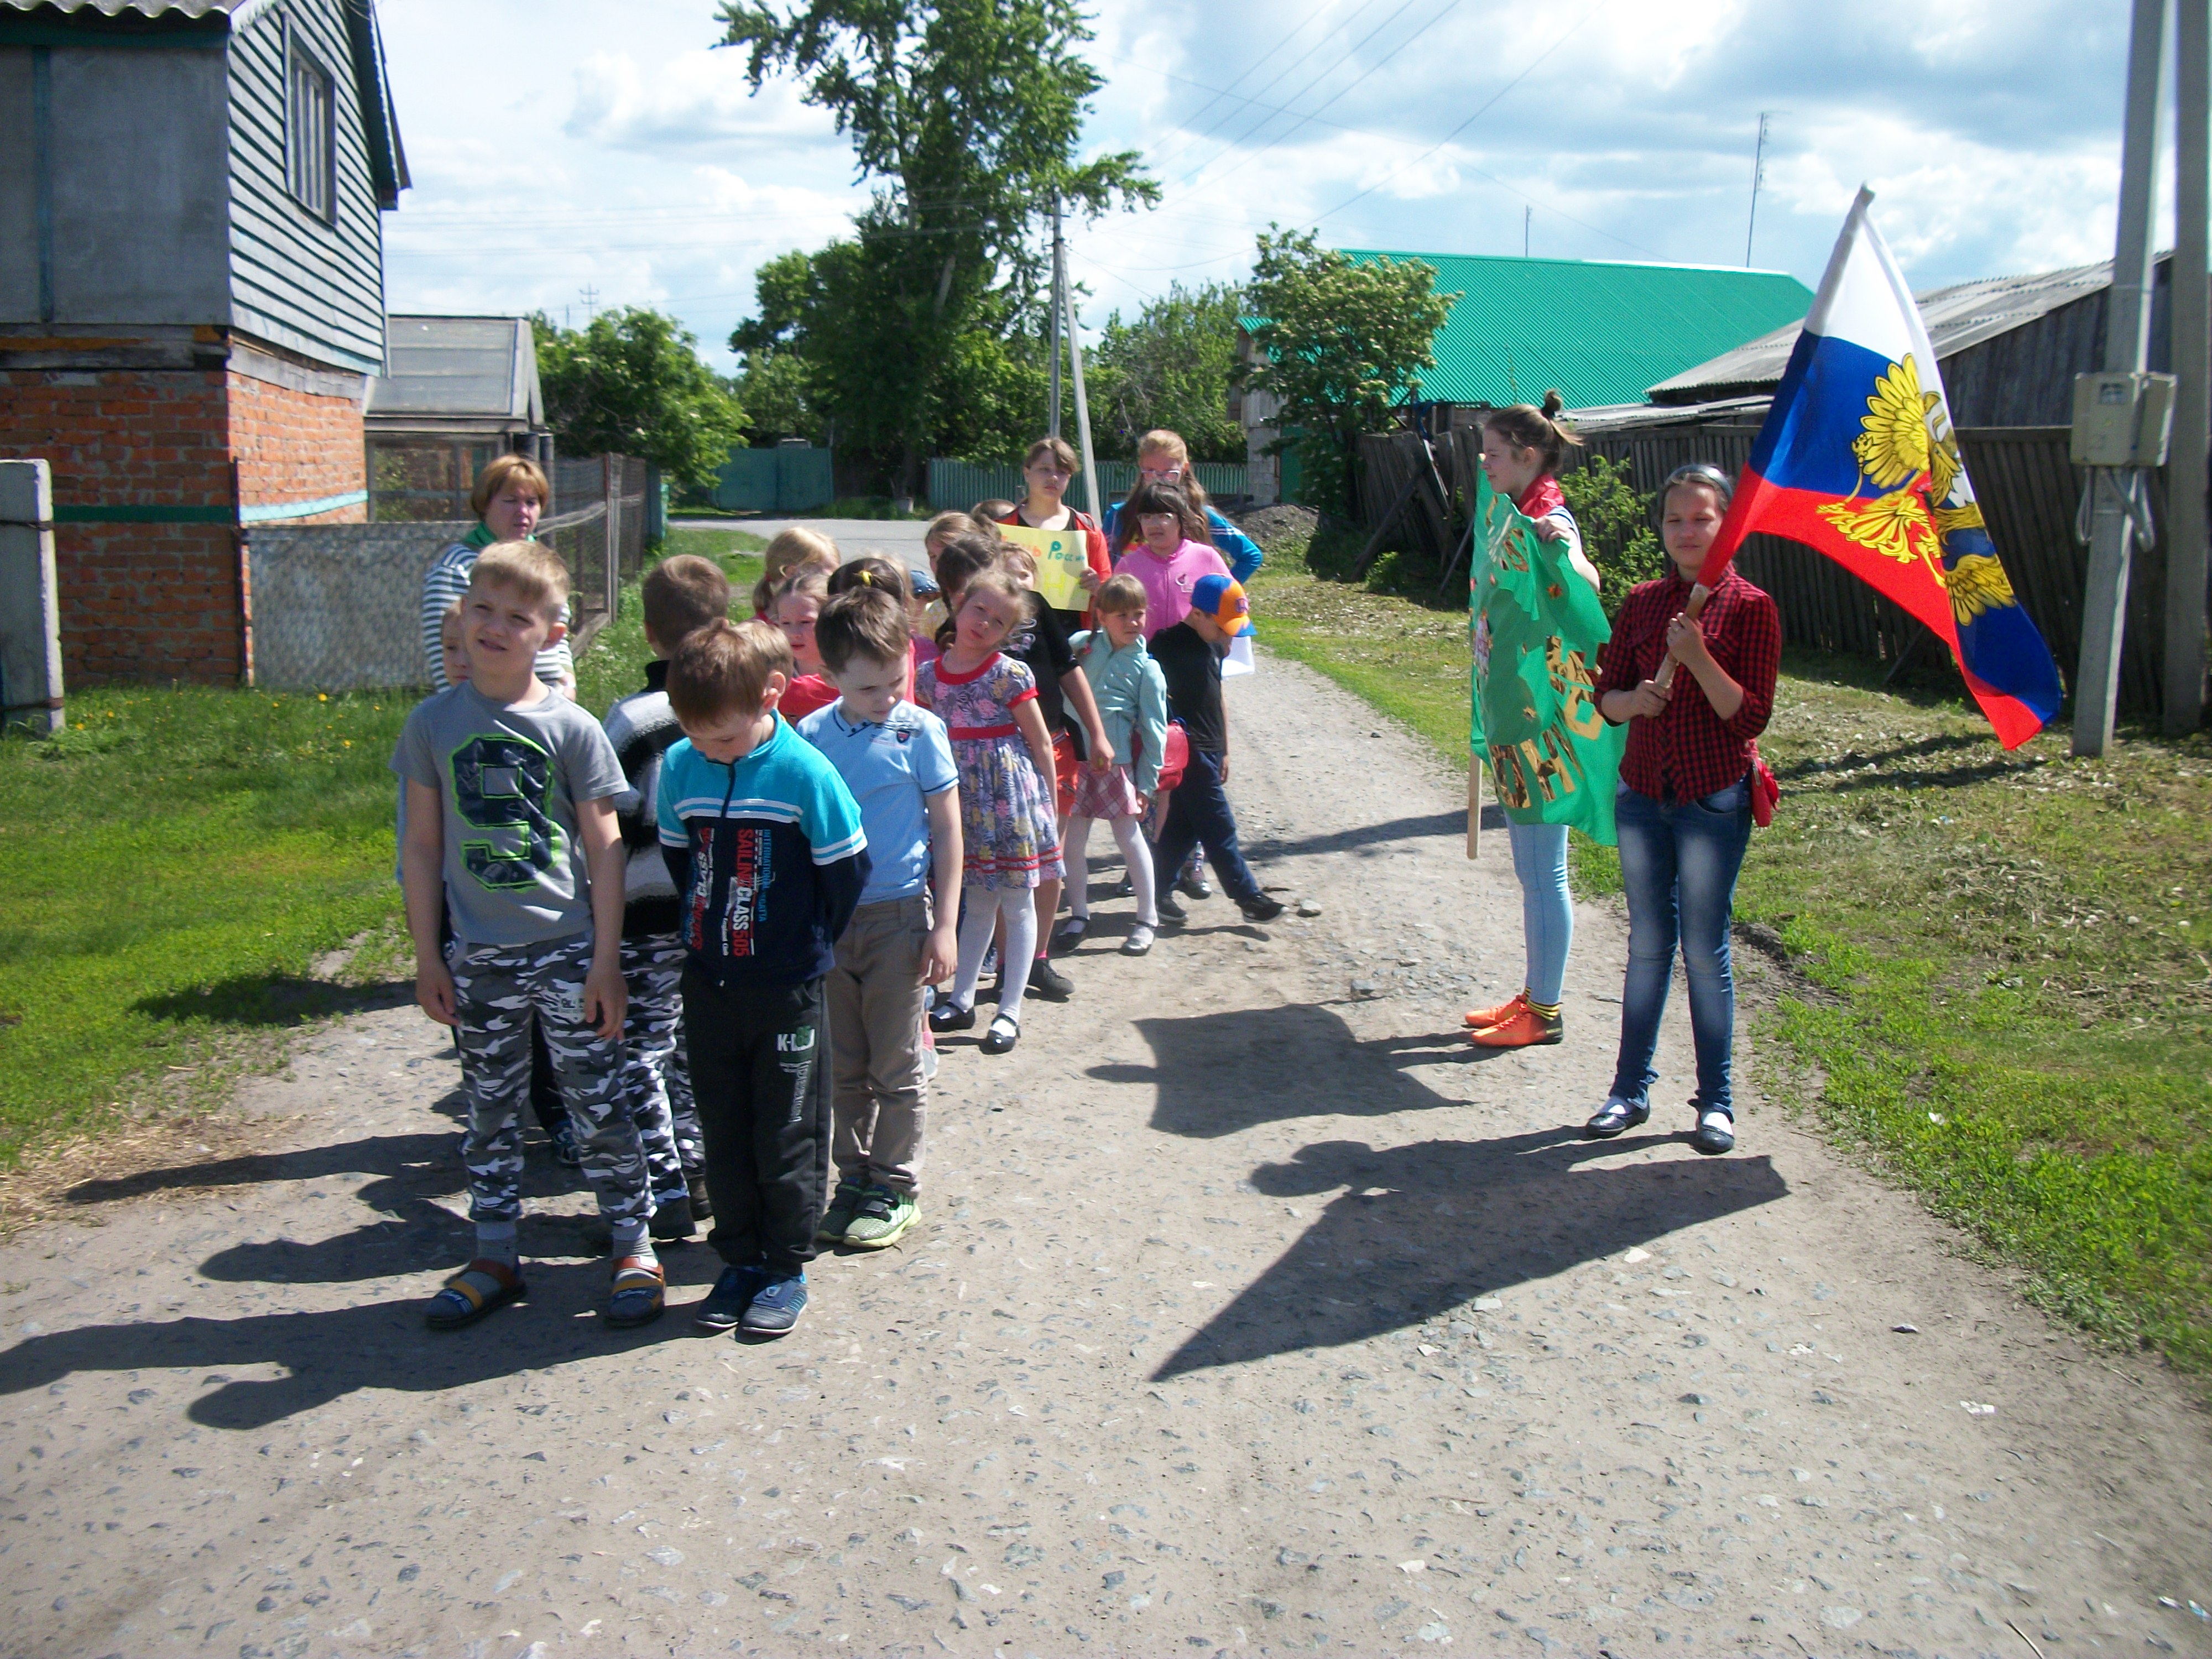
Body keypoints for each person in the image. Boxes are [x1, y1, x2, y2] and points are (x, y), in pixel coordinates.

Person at [395, 542, 662, 1332]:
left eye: (518, 617)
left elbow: (606, 848)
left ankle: (634, 1245)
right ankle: (494, 1253)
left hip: (569, 949)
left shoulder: (572, 727)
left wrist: (606, 962)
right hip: (479, 954)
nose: (495, 627)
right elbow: (421, 848)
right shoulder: (432, 724)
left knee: (597, 1100)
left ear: (551, 632)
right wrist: (428, 956)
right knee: (490, 1107)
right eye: (483, 609)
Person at [658, 619, 869, 1339]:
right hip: (709, 981)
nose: (710, 752)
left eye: (723, 738)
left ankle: (785, 1266)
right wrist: (715, 932)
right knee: (724, 1126)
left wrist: (798, 945)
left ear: (770, 695)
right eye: (697, 738)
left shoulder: (807, 774)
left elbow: (847, 873)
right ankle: (740, 1260)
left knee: (786, 1130)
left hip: (786, 988)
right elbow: (682, 859)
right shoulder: (681, 766)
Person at [1585, 463, 1780, 1156]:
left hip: (1711, 800)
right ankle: (1628, 1089)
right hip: (1641, 796)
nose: (1687, 531)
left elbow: (1748, 716)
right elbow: (1604, 700)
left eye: (1702, 519)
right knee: (1646, 945)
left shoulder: (1751, 607)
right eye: (1675, 519)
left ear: (1727, 525)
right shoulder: (1642, 602)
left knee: (1703, 949)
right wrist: (1631, 701)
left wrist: (1695, 656)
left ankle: (1715, 1102)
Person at [799, 585, 961, 1249]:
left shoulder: (920, 731)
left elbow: (947, 830)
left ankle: (895, 1187)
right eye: (869, 688)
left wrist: (944, 925)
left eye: (897, 680)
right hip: (832, 924)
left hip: (899, 920)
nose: (887, 697)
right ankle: (854, 1179)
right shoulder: (811, 737)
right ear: (831, 674)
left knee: (895, 1066)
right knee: (842, 1067)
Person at [1462, 394, 1608, 1051]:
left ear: (1526, 456)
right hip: (1516, 713)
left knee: (1544, 871)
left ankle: (1545, 1011)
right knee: (1531, 870)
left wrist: (1563, 551)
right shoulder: (1514, 512)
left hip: (1544, 721)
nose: (1484, 464)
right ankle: (1533, 993)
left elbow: (1583, 576)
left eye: (1493, 454)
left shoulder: (1549, 516)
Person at [598, 554, 730, 1246]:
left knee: (642, 1049)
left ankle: (665, 1185)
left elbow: (608, 827)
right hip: (713, 913)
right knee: (688, 1045)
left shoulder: (630, 721)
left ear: (649, 633)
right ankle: (698, 1163)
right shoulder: (734, 713)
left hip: (646, 913)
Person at [915, 562, 1063, 1055]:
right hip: (961, 804)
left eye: (998, 621)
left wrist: (1050, 809)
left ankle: (1010, 1010)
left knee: (1017, 902)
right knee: (977, 899)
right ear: (959, 605)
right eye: (979, 609)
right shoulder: (928, 678)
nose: (984, 623)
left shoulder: (1008, 674)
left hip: (1010, 803)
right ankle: (961, 1000)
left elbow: (1041, 743)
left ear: (1008, 633)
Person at [1148, 574, 1285, 926]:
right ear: (1198, 613)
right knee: (1219, 826)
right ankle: (1248, 897)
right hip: (1186, 751)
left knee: (1183, 827)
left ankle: (1155, 891)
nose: (1230, 637)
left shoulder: (1213, 644)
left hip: (1210, 748)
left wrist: (1225, 749)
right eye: (1224, 627)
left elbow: (1217, 696)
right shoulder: (1166, 646)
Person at [1057, 573, 1168, 957]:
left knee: (1130, 839)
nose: (1132, 622)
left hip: (1116, 765)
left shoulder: (1147, 669)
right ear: (1101, 616)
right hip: (1075, 760)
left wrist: (1147, 785)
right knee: (1073, 841)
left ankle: (1147, 918)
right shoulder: (1081, 646)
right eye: (1122, 615)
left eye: (1139, 614)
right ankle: (1079, 914)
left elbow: (1155, 732)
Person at [419, 453, 575, 697]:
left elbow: (558, 631)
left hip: (549, 699)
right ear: (485, 505)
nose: (523, 511)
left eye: (531, 502)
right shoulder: (455, 568)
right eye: (511, 501)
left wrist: (568, 683)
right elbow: (447, 658)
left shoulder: (542, 567)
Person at [1100, 428, 1264, 584]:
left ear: (1184, 469)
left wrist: (1220, 593)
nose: (1159, 479)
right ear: (1141, 468)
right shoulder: (1118, 516)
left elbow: (1250, 555)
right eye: (1150, 471)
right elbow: (1103, 566)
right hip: (1132, 604)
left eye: (1169, 472)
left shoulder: (1199, 515)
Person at [994, 437, 1112, 634]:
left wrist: (1097, 587)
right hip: (1012, 635)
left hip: (1073, 638)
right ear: (1027, 473)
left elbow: (1111, 595)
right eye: (1045, 469)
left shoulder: (1088, 530)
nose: (1054, 477)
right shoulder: (1001, 528)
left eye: (1062, 471)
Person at [1105, 479, 1234, 639]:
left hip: (1194, 650)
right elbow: (1113, 613)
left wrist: (1222, 644)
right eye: (1146, 517)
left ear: (1181, 520)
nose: (1154, 525)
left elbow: (1231, 603)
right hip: (1144, 651)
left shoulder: (1206, 557)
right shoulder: (1128, 565)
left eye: (1164, 516)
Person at [771, 567, 840, 720]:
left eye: (805, 622)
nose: (794, 633)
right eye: (785, 623)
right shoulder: (772, 671)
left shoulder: (849, 674)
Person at [749, 526, 840, 619]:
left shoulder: (830, 623)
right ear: (792, 575)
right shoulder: (754, 629)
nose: (837, 585)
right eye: (829, 578)